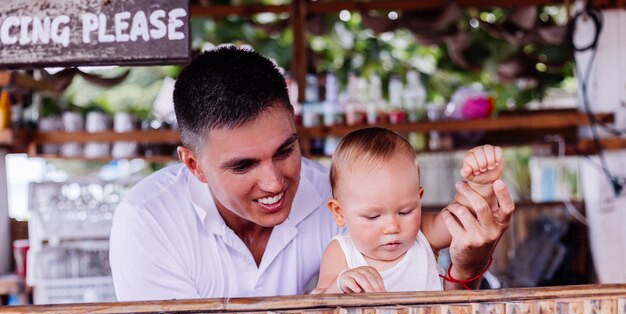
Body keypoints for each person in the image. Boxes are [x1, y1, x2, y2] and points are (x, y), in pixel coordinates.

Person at [110, 45, 515, 301]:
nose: (274, 183)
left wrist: (469, 260)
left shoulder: (344, 194)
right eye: (243, 165)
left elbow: (445, 293)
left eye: (285, 151)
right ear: (194, 164)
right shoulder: (148, 222)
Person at [313, 128, 502, 294]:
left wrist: (480, 184)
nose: (392, 227)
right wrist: (340, 283)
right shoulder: (341, 252)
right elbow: (316, 305)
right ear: (339, 212)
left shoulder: (423, 234)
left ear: (418, 198)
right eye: (373, 216)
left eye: (404, 212)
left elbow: (462, 217)